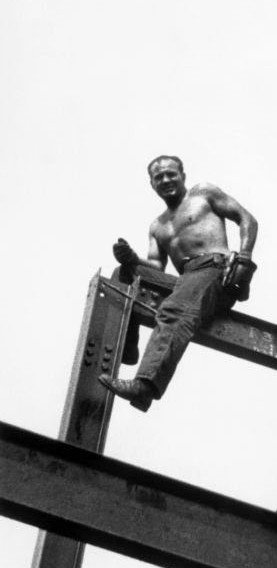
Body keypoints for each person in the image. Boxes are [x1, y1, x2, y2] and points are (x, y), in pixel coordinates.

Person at [98, 155, 258, 412]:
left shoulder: (203, 194)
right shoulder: (157, 226)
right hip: (186, 278)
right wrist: (131, 258)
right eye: (158, 177)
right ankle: (128, 346)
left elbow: (247, 219)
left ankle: (145, 386)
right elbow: (155, 267)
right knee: (124, 273)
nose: (166, 180)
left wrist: (244, 257)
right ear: (152, 184)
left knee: (174, 311)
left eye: (171, 174)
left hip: (215, 270)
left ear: (183, 175)